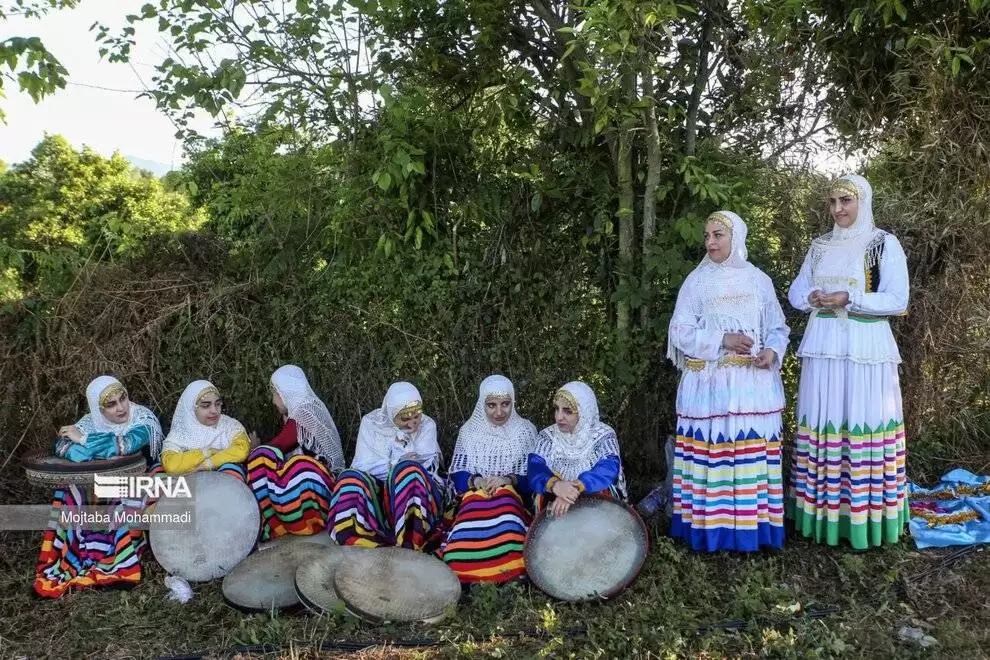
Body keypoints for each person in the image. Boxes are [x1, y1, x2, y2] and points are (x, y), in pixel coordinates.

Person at [787, 174, 909, 549]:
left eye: (846, 200)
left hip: (865, 347)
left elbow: (898, 300)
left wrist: (850, 298)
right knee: (825, 420)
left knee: (862, 420)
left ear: (862, 202)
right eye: (833, 201)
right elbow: (795, 291)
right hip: (823, 344)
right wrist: (813, 297)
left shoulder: (882, 244)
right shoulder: (820, 246)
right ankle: (821, 514)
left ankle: (866, 518)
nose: (838, 208)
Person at [666, 211, 789, 552]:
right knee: (715, 460)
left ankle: (753, 533)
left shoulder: (758, 280)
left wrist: (772, 353)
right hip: (712, 387)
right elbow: (679, 332)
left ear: (736, 237)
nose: (710, 242)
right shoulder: (697, 282)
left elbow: (778, 327)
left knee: (748, 458)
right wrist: (722, 339)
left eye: (718, 235)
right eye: (707, 236)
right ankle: (711, 533)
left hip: (752, 387)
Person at [34, 376, 164, 598]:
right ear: (98, 408)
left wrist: (85, 441)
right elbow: (64, 445)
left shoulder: (143, 418)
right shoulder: (89, 420)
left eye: (122, 398)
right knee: (70, 491)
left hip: (143, 477)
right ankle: (80, 554)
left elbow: (126, 445)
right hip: (101, 478)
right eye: (111, 404)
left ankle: (118, 557)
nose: (121, 407)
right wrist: (85, 446)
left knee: (118, 493)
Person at [439, 375, 537, 584]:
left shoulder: (525, 430)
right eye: (492, 405)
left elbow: (533, 477)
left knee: (505, 505)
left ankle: (508, 571)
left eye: (505, 404)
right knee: (473, 510)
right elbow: (458, 473)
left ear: (513, 402)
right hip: (475, 494)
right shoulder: (469, 431)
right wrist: (478, 482)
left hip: (513, 497)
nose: (499, 412)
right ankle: (464, 572)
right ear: (482, 404)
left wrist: (508, 480)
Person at [327, 381, 444, 550]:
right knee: (349, 479)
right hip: (376, 491)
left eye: (416, 416)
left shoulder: (427, 425)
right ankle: (355, 542)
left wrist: (401, 450)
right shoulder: (370, 423)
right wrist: (395, 462)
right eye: (405, 418)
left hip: (414, 488)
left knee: (408, 472)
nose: (413, 424)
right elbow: (362, 465)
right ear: (391, 413)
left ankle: (410, 541)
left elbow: (421, 464)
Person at [246, 365, 341, 540]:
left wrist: (254, 449)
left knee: (260, 457)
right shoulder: (309, 409)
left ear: (283, 393)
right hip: (322, 487)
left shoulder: (305, 413)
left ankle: (273, 523)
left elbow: (279, 445)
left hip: (319, 487)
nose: (273, 401)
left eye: (274, 395)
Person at [527, 381, 626, 518]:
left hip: (594, 498)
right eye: (557, 409)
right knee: (542, 494)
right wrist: (557, 486)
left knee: (603, 489)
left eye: (568, 411)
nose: (559, 417)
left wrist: (574, 489)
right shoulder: (547, 436)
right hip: (555, 498)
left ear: (584, 411)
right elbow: (535, 468)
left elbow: (608, 467)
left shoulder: (603, 434)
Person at [160, 380, 250, 477]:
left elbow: (241, 450)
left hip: (226, 487)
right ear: (191, 408)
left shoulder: (230, 425)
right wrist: (209, 452)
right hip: (192, 488)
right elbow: (171, 466)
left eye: (218, 404)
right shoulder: (179, 434)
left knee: (230, 468)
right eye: (206, 406)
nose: (214, 411)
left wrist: (207, 464)